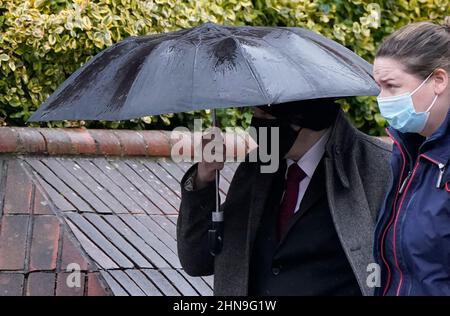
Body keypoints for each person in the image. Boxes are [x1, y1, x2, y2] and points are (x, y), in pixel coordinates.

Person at [177, 99, 392, 296]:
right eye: (254, 116)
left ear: (303, 117)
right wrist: (203, 181)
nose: (256, 128)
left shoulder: (379, 167)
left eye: (265, 118)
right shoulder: (258, 166)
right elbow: (197, 259)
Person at [373, 17, 450, 296]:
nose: (382, 98)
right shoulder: (405, 151)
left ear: (438, 81)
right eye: (378, 86)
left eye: (391, 86)